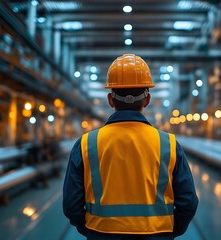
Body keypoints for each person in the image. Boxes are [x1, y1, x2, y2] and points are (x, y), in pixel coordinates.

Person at [63, 54, 198, 240]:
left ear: (111, 99)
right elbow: (188, 203)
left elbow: (71, 205)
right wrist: (168, 233)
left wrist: (91, 232)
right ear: (147, 100)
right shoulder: (169, 144)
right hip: (157, 235)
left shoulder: (86, 144)